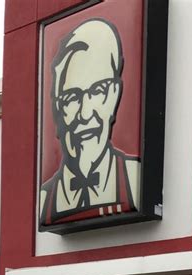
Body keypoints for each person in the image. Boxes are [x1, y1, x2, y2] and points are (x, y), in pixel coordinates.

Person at [40, 19, 140, 229]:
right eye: (71, 97)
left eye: (97, 91)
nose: (85, 114)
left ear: (114, 95)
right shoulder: (44, 200)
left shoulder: (135, 177)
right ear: (58, 107)